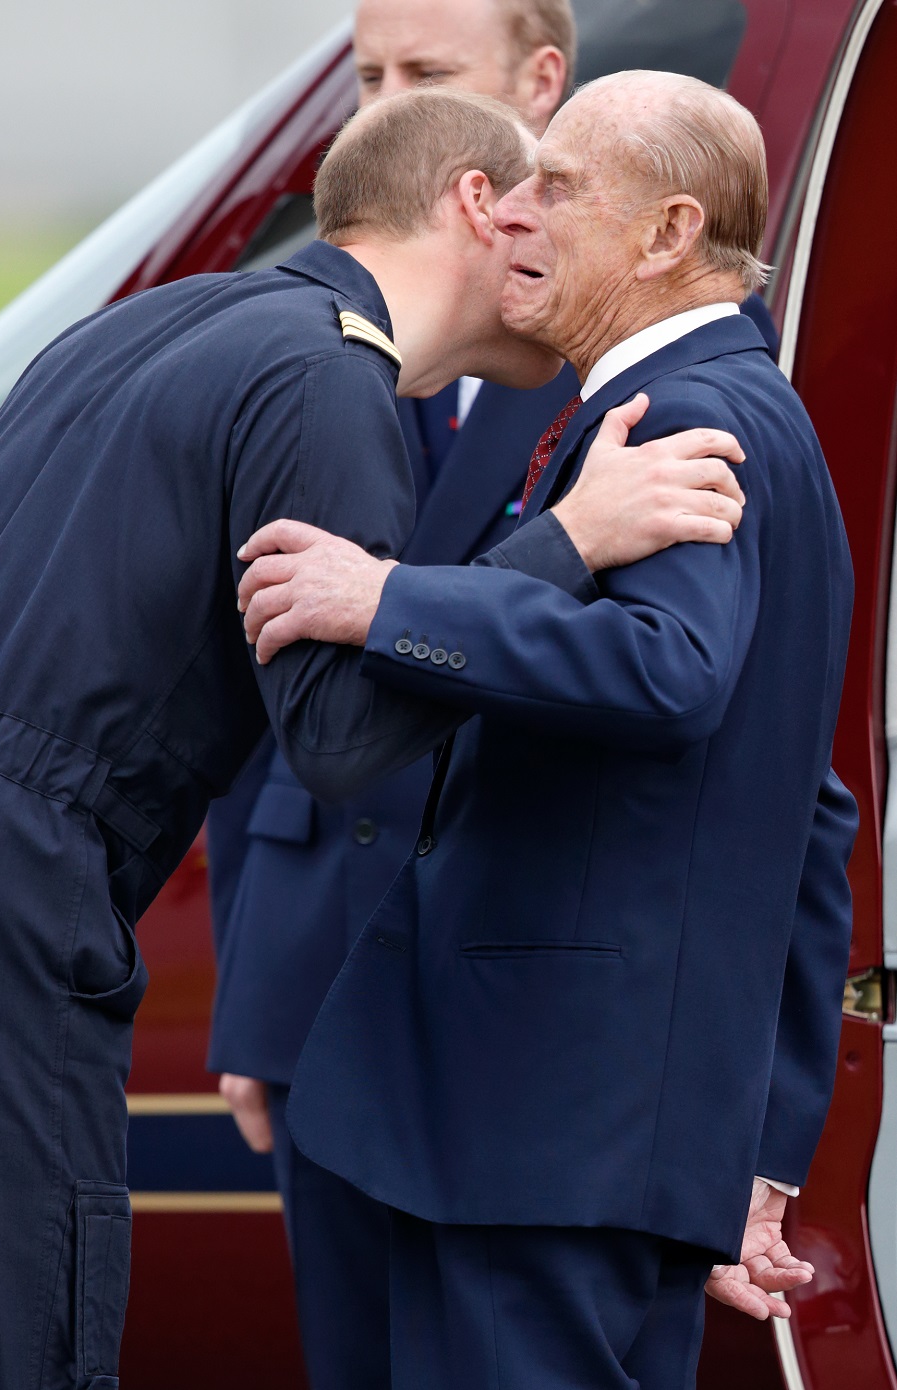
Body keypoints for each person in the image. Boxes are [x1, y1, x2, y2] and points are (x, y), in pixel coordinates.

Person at [0, 90, 746, 1389]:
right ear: (473, 202)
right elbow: (343, 734)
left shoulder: (143, 325)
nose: (545, 246)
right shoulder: (324, 381)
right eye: (535, 203)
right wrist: (566, 542)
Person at [237, 71, 856, 1390]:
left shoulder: (688, 416)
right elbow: (809, 810)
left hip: (536, 1129)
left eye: (556, 187)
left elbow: (665, 669)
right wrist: (755, 1148)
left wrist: (385, 599)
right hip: (608, 1141)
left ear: (665, 233)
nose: (508, 213)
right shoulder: (761, 417)